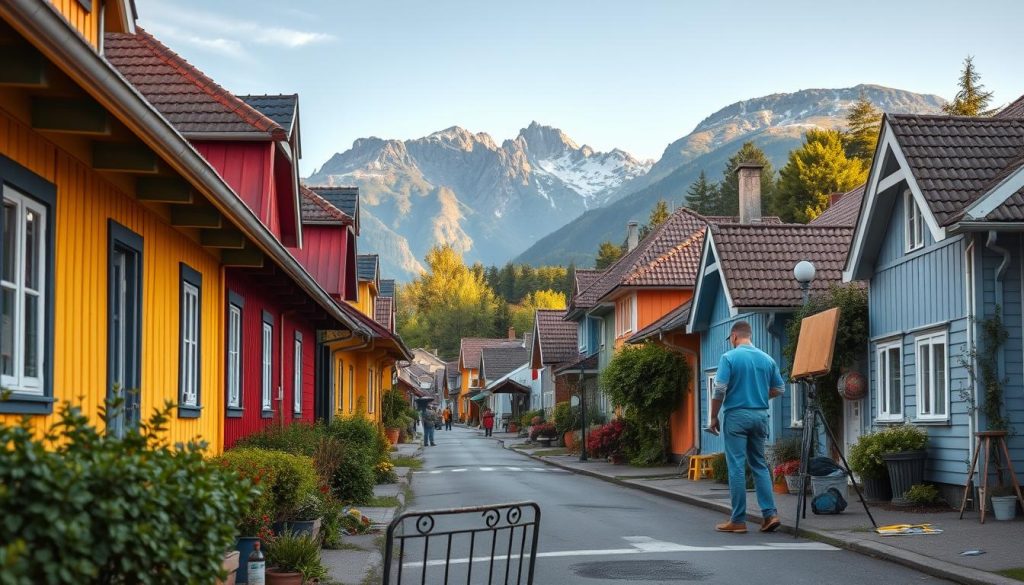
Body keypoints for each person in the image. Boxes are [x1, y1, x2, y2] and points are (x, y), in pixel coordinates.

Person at [708, 320, 785, 534]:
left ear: (734, 337)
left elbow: (719, 389)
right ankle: (770, 515)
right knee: (759, 464)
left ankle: (738, 520)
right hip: (760, 416)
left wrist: (713, 417)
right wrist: (760, 395)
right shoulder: (767, 359)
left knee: (737, 467)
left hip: (736, 416)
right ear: (749, 335)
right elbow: (779, 388)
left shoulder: (729, 358)